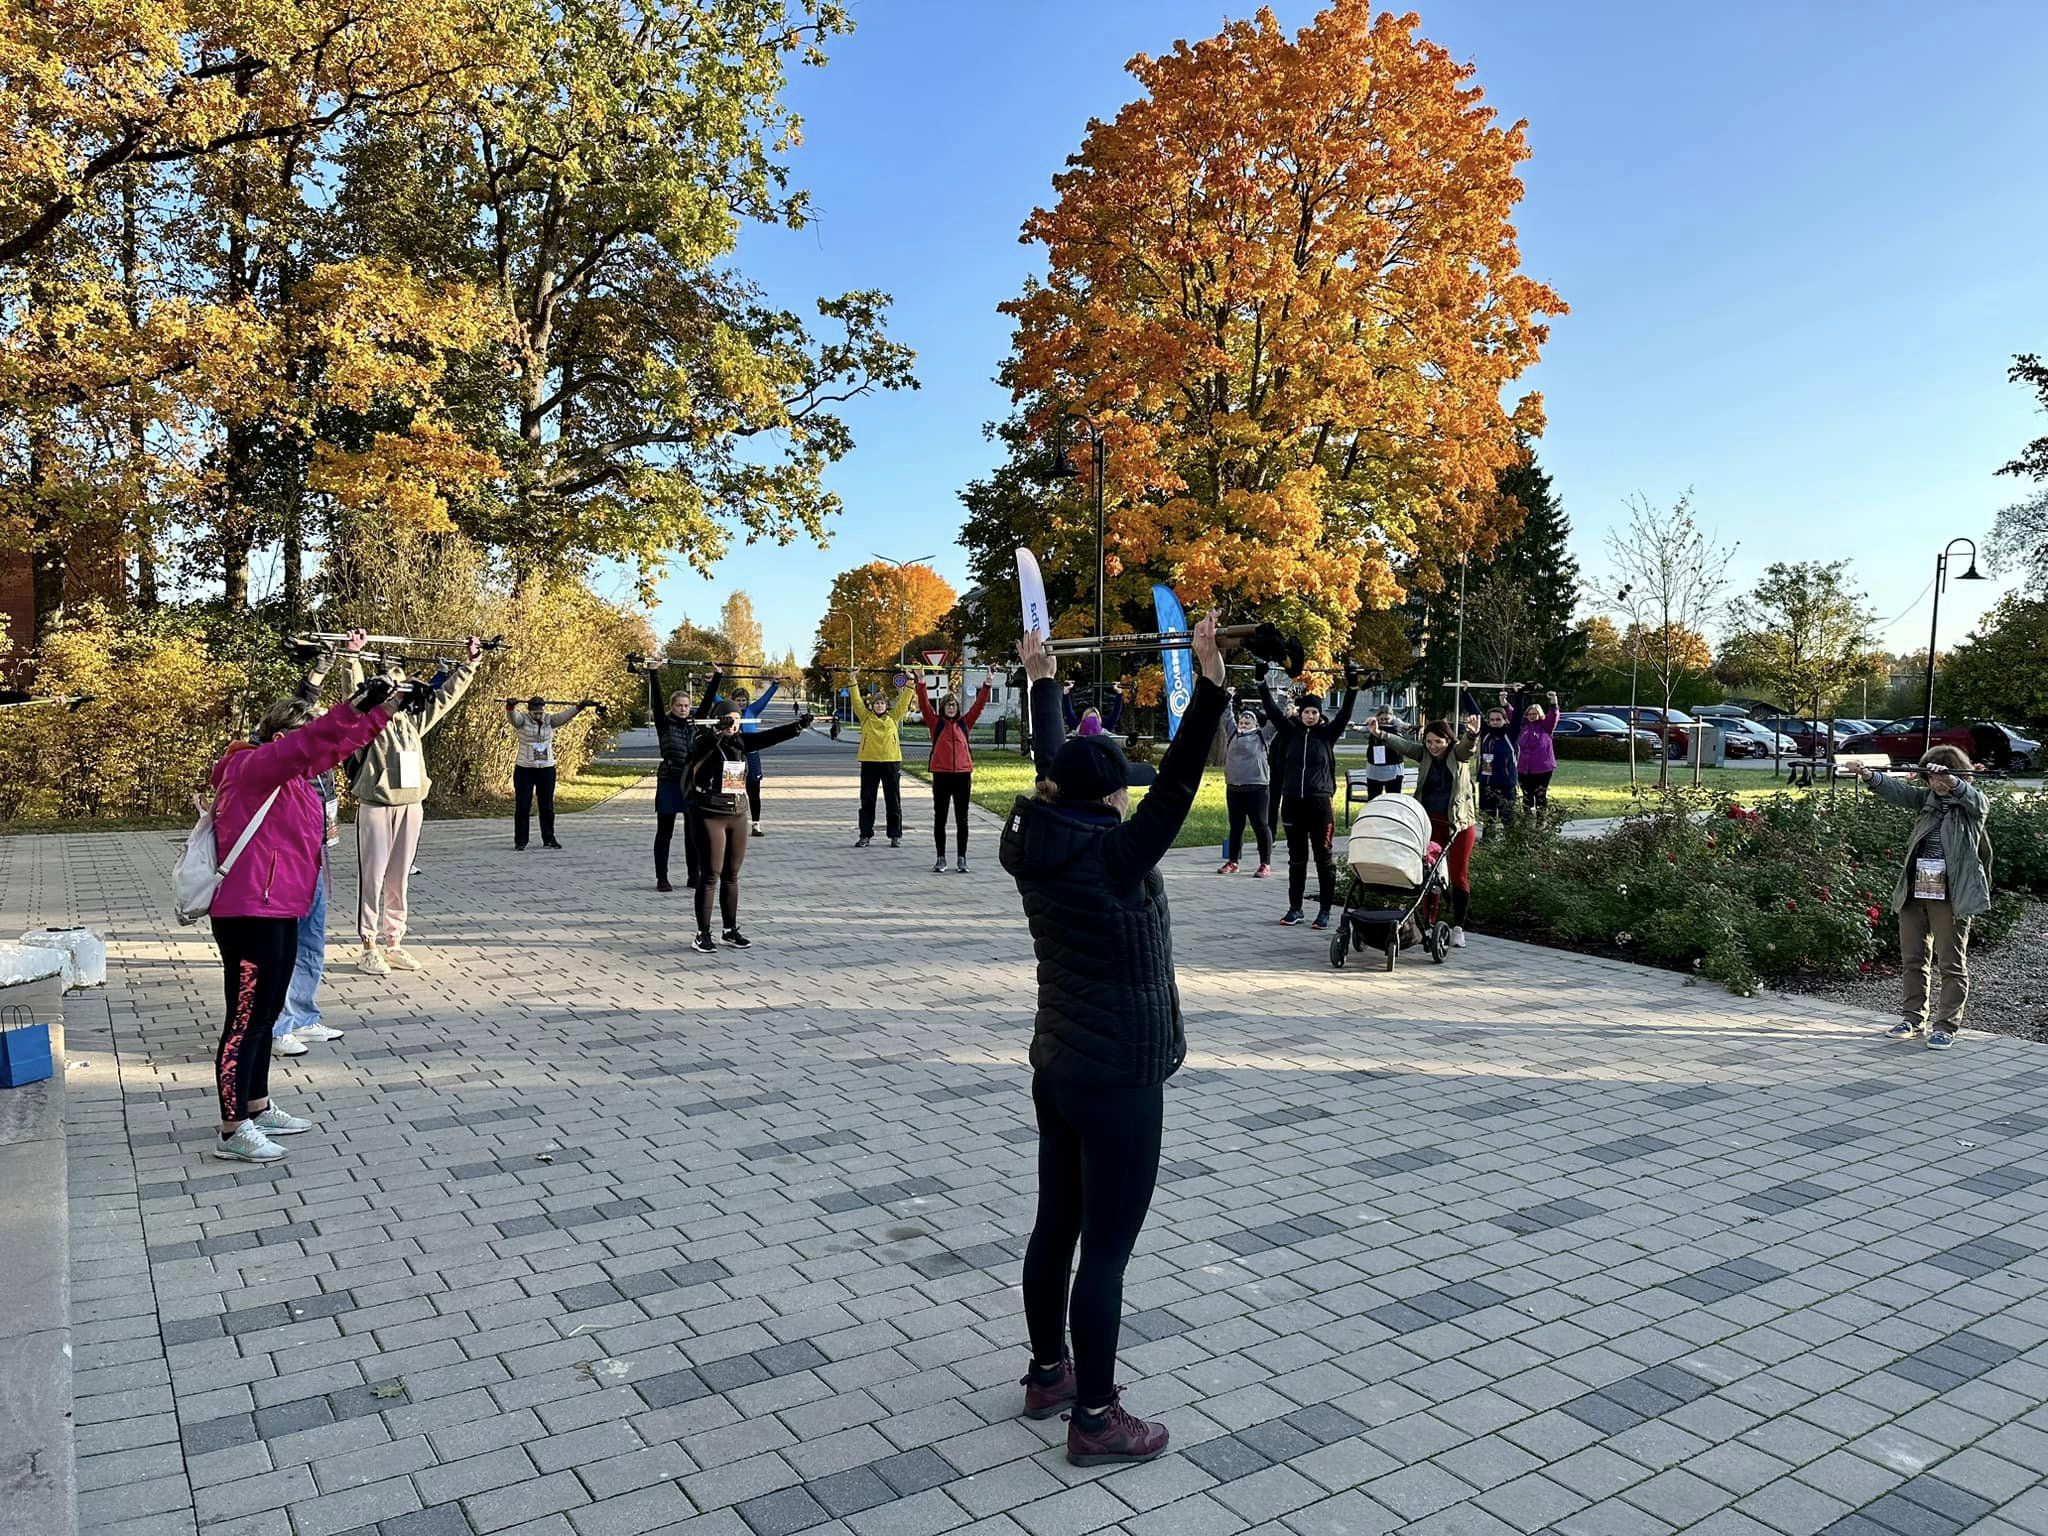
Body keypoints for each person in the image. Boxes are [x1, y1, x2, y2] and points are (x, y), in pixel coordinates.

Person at [1003, 613, 1230, 1467]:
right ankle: (1096, 1419)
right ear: (1107, 799)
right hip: (1119, 1077)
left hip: (1059, 1066)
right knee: (1105, 1253)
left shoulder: (1047, 833)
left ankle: (1048, 1375)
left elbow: (1056, 760)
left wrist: (1042, 681)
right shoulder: (1116, 854)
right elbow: (1178, 783)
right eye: (1121, 788)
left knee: (1055, 1226)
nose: (1133, 795)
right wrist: (1209, 687)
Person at [208, 675, 403, 1162]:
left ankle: (257, 1106)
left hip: (281, 905)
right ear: (280, 738)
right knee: (245, 1021)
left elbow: (337, 746)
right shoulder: (251, 766)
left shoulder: (292, 775)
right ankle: (233, 1129)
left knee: (268, 1013)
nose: (312, 746)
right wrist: (353, 705)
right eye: (303, 735)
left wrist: (385, 711)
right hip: (249, 910)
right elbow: (314, 740)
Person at [341, 636, 481, 975]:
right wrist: (352, 658)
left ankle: (394, 941)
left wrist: (470, 664)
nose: (400, 693)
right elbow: (352, 696)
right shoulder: (367, 721)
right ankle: (369, 945)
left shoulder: (412, 721)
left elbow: (445, 698)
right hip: (377, 804)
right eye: (394, 688)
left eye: (403, 687)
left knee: (399, 877)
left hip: (411, 805)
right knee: (373, 877)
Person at [1849, 749, 1993, 1050]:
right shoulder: (1926, 801)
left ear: (1957, 775)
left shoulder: (1971, 805)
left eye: (1940, 778)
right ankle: (1913, 1019)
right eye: (1930, 778)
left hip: (1951, 895)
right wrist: (1867, 774)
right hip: (1917, 890)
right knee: (1913, 959)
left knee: (1951, 963)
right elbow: (1897, 791)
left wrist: (1951, 781)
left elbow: (1976, 800)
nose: (1934, 784)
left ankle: (1946, 1026)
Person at [271, 640, 354, 1059]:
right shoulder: (275, 757)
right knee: (284, 947)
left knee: (312, 940)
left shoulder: (319, 757)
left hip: (316, 854)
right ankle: (278, 1026)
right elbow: (302, 706)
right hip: (284, 862)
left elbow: (351, 728)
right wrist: (318, 673)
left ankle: (303, 1015)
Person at [682, 699, 814, 952]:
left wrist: (797, 727)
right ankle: (702, 933)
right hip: (709, 814)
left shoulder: (740, 742)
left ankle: (730, 930)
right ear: (718, 720)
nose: (733, 725)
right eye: (728, 720)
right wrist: (717, 731)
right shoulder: (703, 740)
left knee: (731, 875)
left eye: (737, 720)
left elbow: (769, 737)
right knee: (710, 875)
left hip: (737, 814)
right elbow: (699, 748)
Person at [1258, 666, 1359, 929]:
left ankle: (1324, 911)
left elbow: (1345, 713)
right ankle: (1295, 908)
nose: (1310, 716)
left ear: (1319, 714)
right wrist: (1260, 682)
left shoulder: (1327, 735)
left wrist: (1352, 685)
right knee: (1297, 860)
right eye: (1306, 712)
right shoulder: (1290, 732)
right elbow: (1272, 711)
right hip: (1292, 803)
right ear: (1300, 713)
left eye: (1314, 712)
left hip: (1320, 805)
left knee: (1324, 859)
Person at [1373, 714, 1480, 947]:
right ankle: (1428, 924)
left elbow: (1467, 749)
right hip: (1430, 823)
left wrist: (1472, 734)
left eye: (1438, 742)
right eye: (1429, 741)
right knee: (1428, 873)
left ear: (1448, 741)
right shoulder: (1424, 754)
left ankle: (1458, 928)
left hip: (1459, 824)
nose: (1433, 746)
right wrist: (1380, 733)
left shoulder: (1457, 754)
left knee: (1458, 874)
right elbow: (1404, 745)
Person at [645, 662, 720, 892]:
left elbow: (707, 704)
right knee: (665, 831)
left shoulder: (695, 723)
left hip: (690, 782)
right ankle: (662, 877)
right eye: (679, 705)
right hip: (669, 779)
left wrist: (717, 678)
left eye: (686, 705)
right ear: (672, 707)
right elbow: (657, 702)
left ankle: (693, 875)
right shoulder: (664, 723)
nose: (683, 709)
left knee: (692, 832)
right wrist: (653, 672)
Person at [915, 670, 995, 873]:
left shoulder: (964, 723)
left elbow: (979, 706)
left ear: (958, 708)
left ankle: (962, 858)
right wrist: (921, 682)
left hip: (962, 775)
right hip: (941, 775)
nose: (951, 708)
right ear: (943, 707)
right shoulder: (936, 723)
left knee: (962, 818)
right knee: (940, 818)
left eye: (954, 705)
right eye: (948, 705)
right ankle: (941, 858)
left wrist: (987, 684)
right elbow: (924, 705)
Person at [503, 695, 599, 850]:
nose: (538, 715)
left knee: (547, 806)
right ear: (529, 711)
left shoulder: (549, 720)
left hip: (546, 768)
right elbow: (513, 718)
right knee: (523, 806)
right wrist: (510, 707)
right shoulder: (522, 720)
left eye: (540, 712)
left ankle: (549, 838)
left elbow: (564, 716)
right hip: (525, 768)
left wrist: (579, 707)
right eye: (535, 713)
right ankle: (521, 841)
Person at [850, 672, 913, 847]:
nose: (879, 705)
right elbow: (856, 701)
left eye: (882, 703)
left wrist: (910, 682)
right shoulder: (865, 718)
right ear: (871, 706)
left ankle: (895, 835)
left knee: (893, 800)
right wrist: (853, 680)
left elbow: (904, 702)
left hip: (890, 762)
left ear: (886, 705)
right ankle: (865, 835)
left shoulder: (893, 717)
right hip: (869, 762)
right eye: (876, 703)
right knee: (867, 800)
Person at [1218, 701, 1274, 877]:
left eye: (1247, 722)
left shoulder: (1262, 736)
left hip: (1257, 788)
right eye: (1242, 721)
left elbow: (1275, 721)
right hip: (1234, 787)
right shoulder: (1233, 733)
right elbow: (1226, 717)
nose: (1243, 724)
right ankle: (1233, 861)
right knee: (1236, 826)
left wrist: (1280, 700)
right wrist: (1228, 698)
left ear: (1255, 723)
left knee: (1260, 825)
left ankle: (1265, 863)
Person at [721, 680, 782, 835]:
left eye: (743, 700)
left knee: (754, 792)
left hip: (752, 756)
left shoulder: (752, 711)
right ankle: (730, 824)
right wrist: (710, 682)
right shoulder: (728, 711)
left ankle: (756, 825)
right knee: (732, 791)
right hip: (735, 756)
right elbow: (716, 699)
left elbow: (764, 699)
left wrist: (774, 686)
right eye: (738, 700)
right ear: (733, 701)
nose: (741, 703)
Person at [1476, 697, 1520, 833]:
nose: (1495, 722)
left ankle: (1511, 844)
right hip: (1486, 784)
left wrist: (1519, 694)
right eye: (1492, 720)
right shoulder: (1486, 734)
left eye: (1498, 719)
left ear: (1505, 720)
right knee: (1488, 821)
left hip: (1506, 785)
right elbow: (1475, 712)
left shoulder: (1510, 734)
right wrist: (1465, 693)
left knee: (1508, 820)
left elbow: (1518, 716)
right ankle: (1488, 844)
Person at [1514, 689, 1561, 813]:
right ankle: (1527, 820)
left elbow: (1553, 716)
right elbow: (1512, 715)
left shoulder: (1546, 726)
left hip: (1542, 768)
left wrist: (1553, 702)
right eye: (1529, 714)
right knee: (1526, 796)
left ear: (1539, 714)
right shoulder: (1523, 726)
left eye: (1534, 714)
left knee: (1540, 796)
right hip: (1524, 768)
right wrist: (1505, 703)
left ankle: (1541, 821)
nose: (1532, 716)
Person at [1364, 706, 1404, 799]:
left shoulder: (1396, 726)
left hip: (1393, 769)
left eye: (1386, 719)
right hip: (1374, 770)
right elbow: (1361, 728)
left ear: (1392, 717)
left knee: (1393, 799)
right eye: (1381, 719)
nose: (1384, 721)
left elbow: (1404, 726)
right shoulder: (1373, 726)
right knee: (1374, 798)